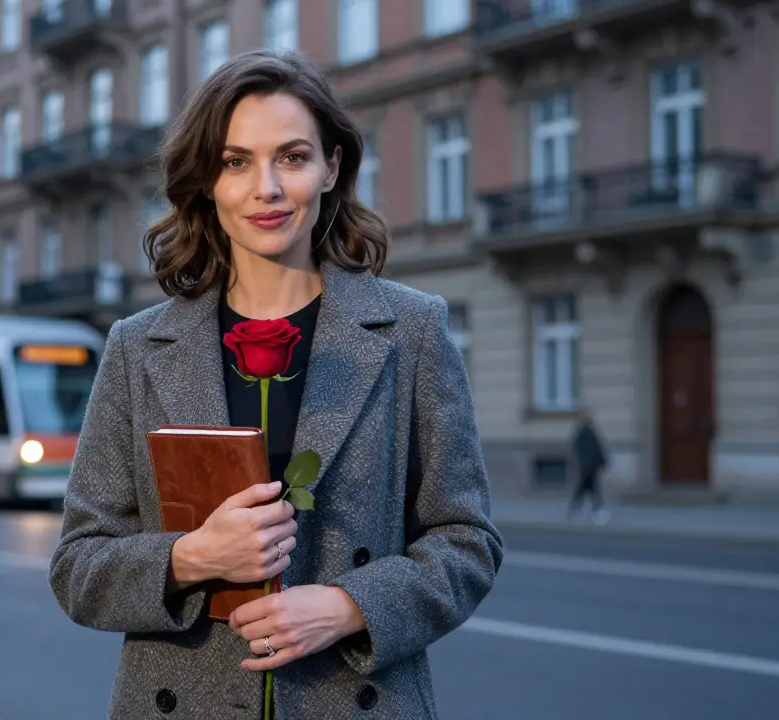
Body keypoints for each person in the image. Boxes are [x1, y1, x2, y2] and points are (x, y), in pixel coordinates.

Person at [48, 49, 503, 719]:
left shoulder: (412, 331)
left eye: (291, 157)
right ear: (208, 180)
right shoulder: (138, 348)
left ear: (331, 168)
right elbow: (78, 568)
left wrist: (351, 606)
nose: (266, 188)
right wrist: (193, 557)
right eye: (237, 162)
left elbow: (467, 542)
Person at [569, 408, 610, 524]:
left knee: (586, 489)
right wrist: (586, 464)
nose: (591, 418)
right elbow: (585, 450)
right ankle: (596, 512)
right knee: (590, 490)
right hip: (588, 467)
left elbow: (596, 449)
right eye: (589, 416)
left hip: (591, 466)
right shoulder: (584, 432)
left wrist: (602, 461)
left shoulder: (588, 431)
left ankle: (579, 510)